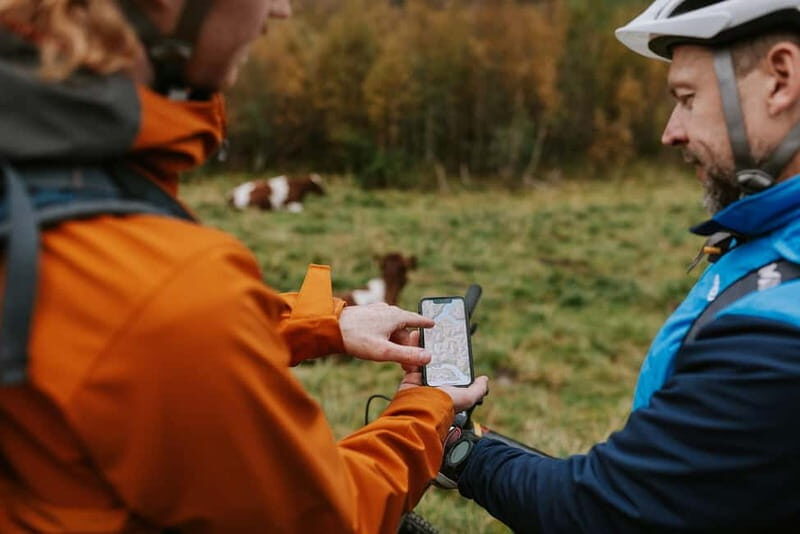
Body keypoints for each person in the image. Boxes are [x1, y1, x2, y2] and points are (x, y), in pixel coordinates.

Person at [0, 1, 488, 532]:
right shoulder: (170, 288)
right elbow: (321, 520)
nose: (280, 9)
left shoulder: (41, 182)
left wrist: (322, 321)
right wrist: (423, 410)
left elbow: (106, 326)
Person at [441, 1, 800, 532]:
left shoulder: (776, 331)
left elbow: (606, 511)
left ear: (781, 79)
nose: (670, 131)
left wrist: (460, 457)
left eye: (687, 98)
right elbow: (670, 487)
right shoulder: (766, 243)